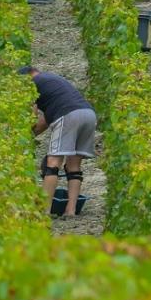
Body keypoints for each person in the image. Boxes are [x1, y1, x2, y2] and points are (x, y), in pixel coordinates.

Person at [21, 65, 97, 217]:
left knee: (53, 165)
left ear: (26, 76)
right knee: (73, 166)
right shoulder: (53, 80)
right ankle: (71, 210)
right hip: (89, 115)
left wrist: (23, 132)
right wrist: (30, 136)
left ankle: (44, 211)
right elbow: (46, 119)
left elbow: (33, 114)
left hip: (68, 116)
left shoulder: (32, 83)